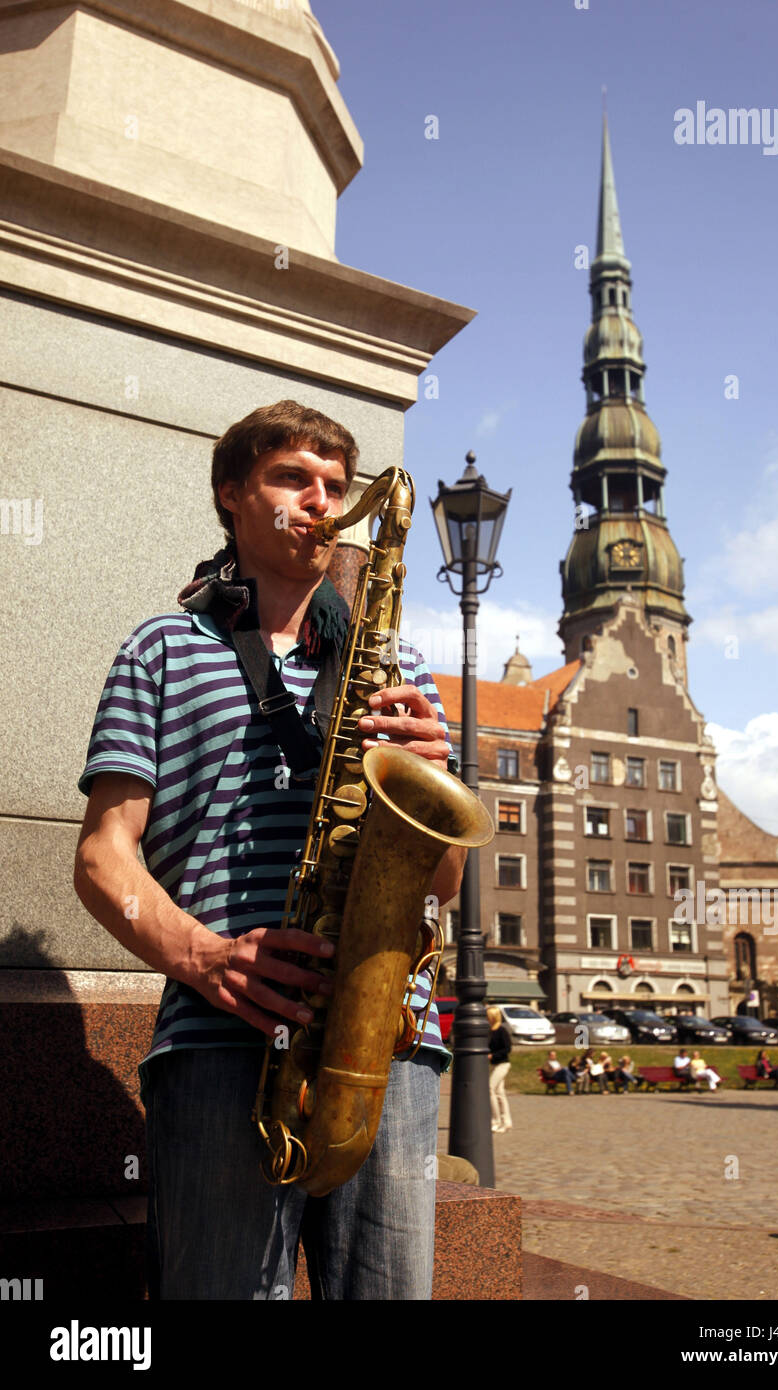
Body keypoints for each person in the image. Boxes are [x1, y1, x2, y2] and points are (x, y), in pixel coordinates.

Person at [73, 400, 466, 1301]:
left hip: (389, 1042)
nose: (322, 500)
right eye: (295, 477)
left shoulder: (400, 673)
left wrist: (433, 781)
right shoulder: (163, 649)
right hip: (222, 1037)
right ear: (232, 495)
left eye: (337, 483)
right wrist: (201, 955)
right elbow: (103, 856)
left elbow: (442, 884)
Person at [488, 1006, 513, 1130]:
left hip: (503, 1064)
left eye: (488, 1016)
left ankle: (496, 1120)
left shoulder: (502, 1030)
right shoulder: (489, 1031)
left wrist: (493, 1055)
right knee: (499, 1093)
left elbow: (507, 1049)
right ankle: (507, 1122)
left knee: (490, 1088)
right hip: (493, 1065)